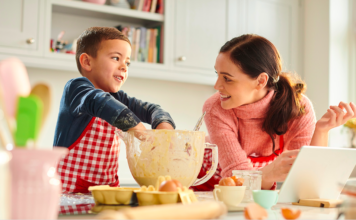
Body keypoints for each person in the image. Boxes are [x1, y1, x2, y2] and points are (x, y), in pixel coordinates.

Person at [192, 34, 356, 191]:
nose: (217, 85)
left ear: (261, 81)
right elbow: (234, 180)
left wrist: (321, 130)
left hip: (248, 192)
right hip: (199, 186)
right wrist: (269, 174)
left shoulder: (298, 108)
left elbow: (305, 180)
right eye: (218, 74)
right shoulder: (215, 107)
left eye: (227, 78)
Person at [53, 27, 175, 193]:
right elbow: (99, 101)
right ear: (87, 62)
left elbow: (152, 109)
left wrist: (164, 126)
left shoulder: (117, 98)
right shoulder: (76, 89)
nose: (124, 67)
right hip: (71, 193)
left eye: (127, 62)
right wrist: (138, 128)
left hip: (108, 192)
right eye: (116, 58)